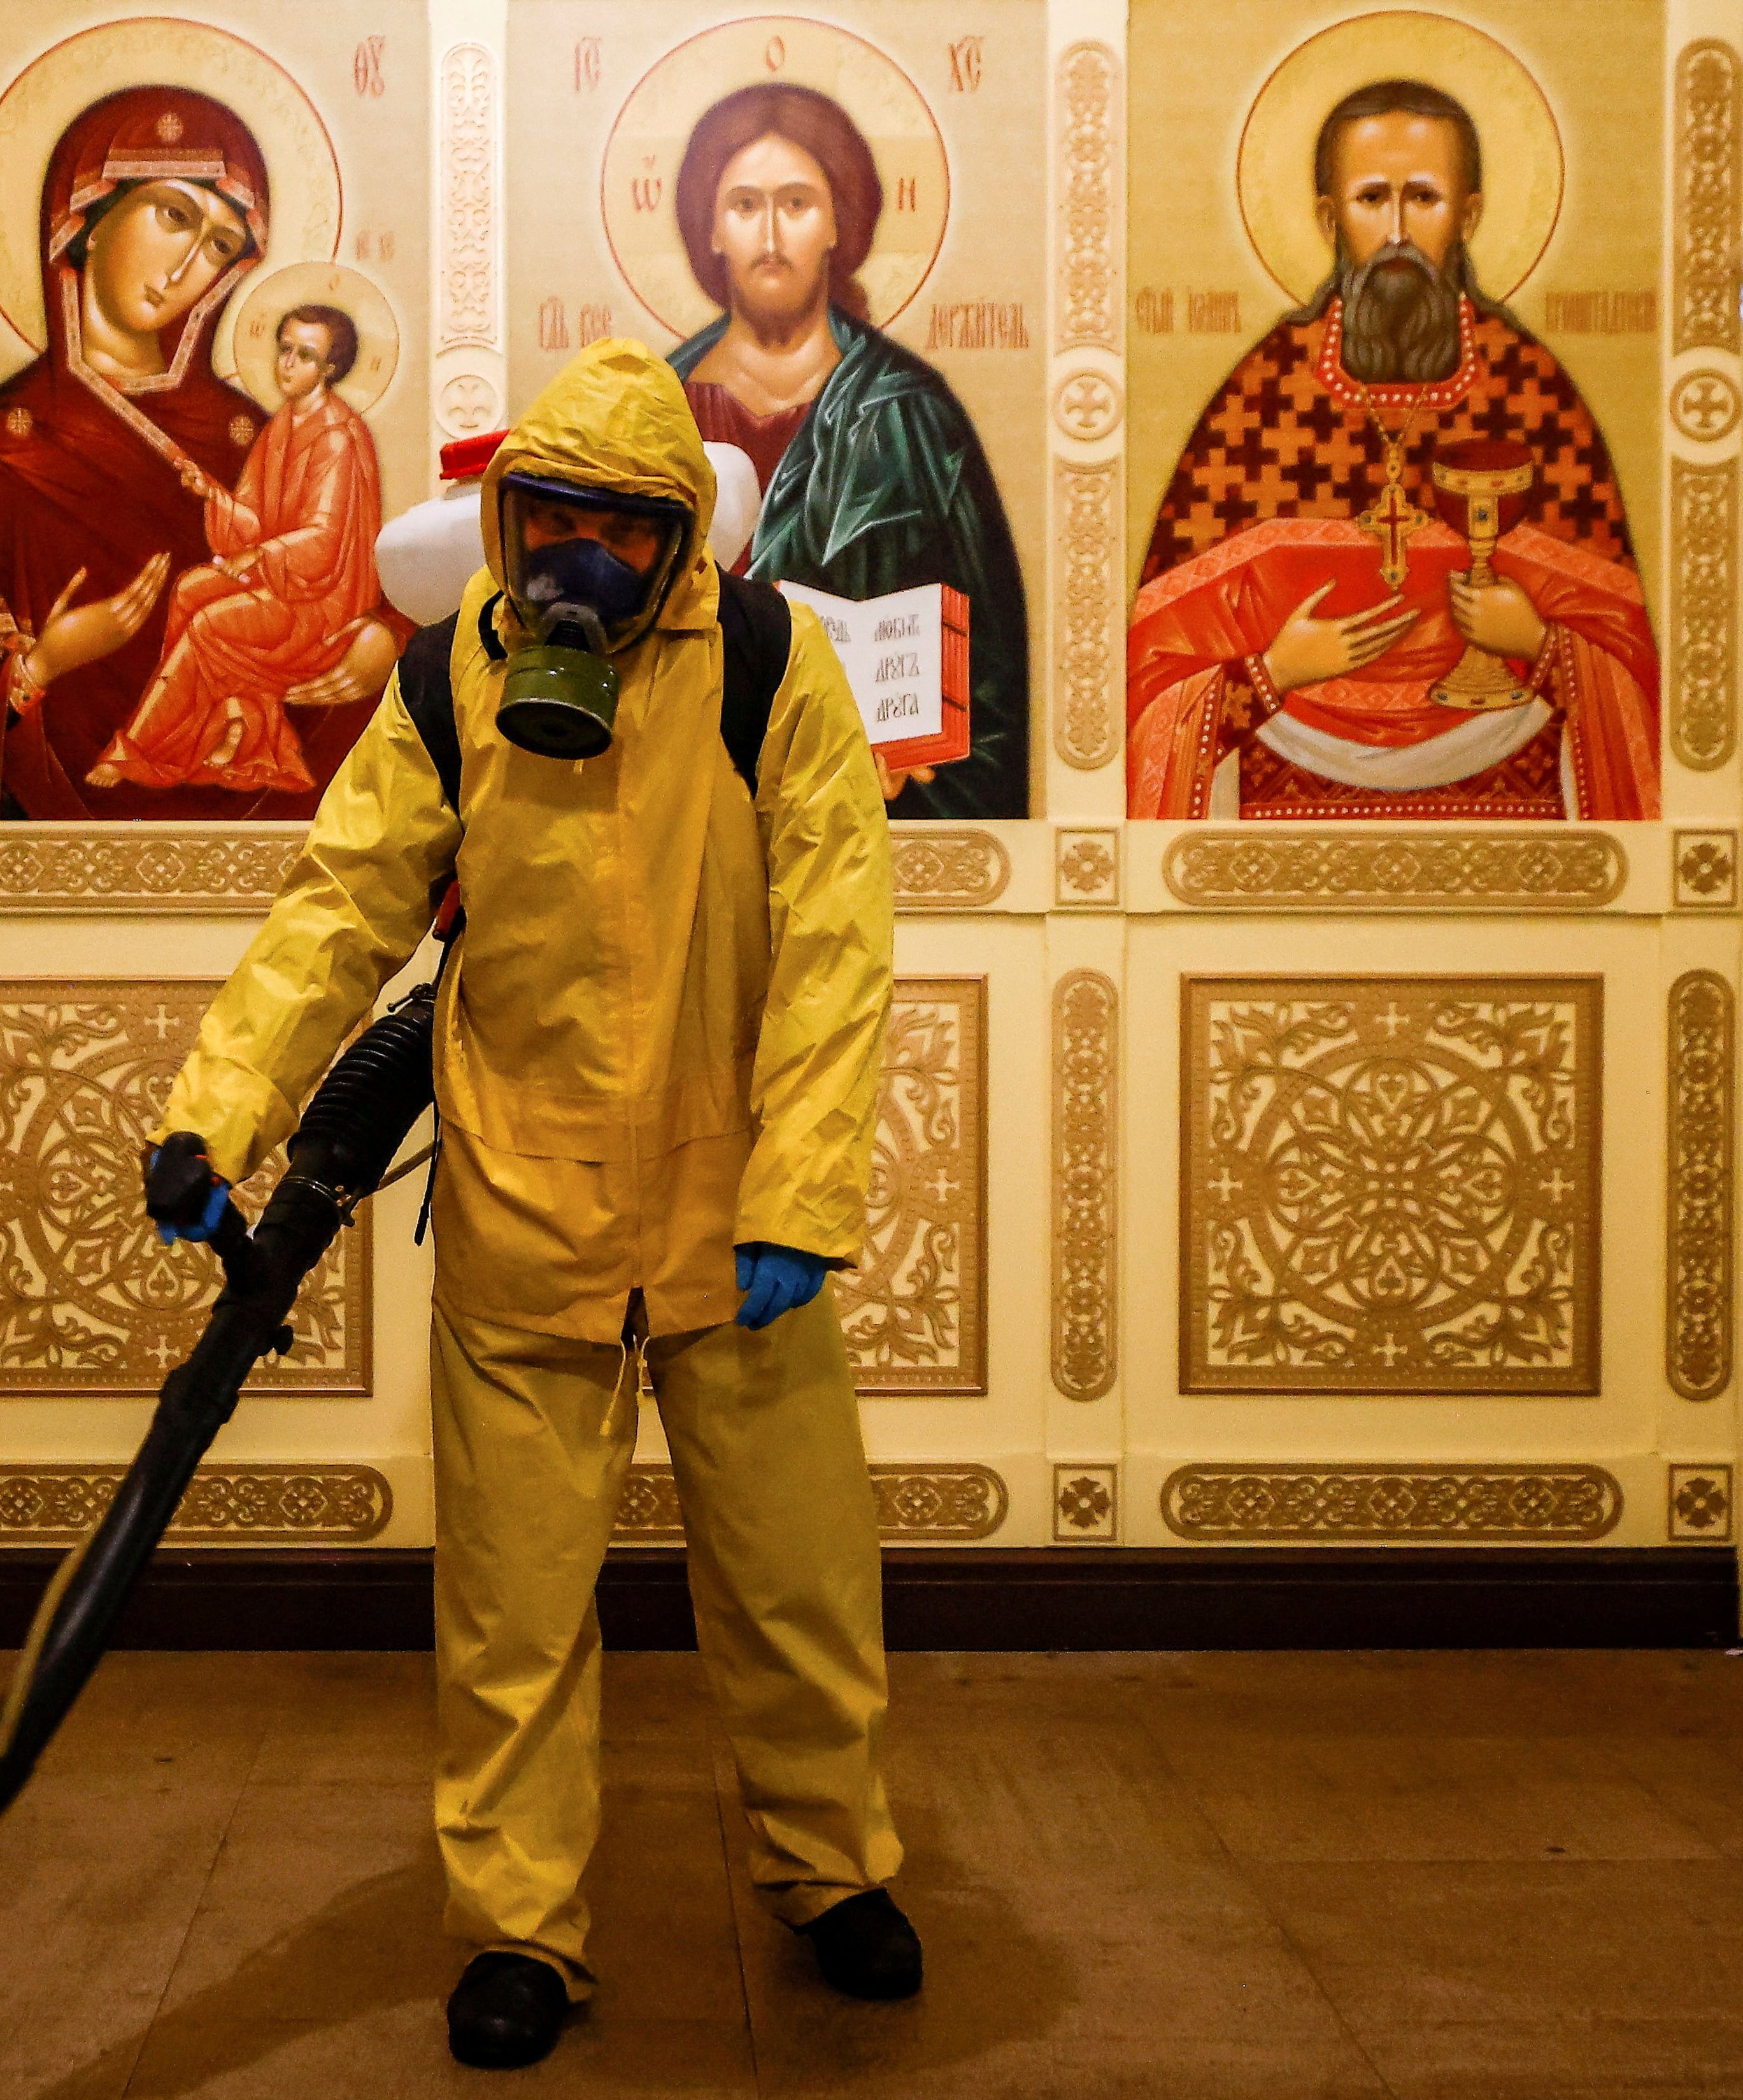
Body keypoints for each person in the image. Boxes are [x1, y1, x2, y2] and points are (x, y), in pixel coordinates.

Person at [145, 339, 917, 2070]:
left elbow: (838, 945)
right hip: (524, 1206)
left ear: (676, 534)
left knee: (797, 1578)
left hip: (737, 1219)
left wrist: (800, 1187)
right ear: (504, 521)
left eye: (621, 525)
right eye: (549, 515)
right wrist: (217, 1119)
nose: (584, 554)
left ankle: (833, 1868)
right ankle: (519, 1932)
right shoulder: (455, 685)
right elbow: (339, 911)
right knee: (511, 1606)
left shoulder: (774, 668)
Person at [1127, 78, 1660, 819]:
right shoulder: (1263, 396)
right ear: (1327, 217)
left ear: (1467, 214)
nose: (1398, 232)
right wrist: (1273, 670)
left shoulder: (1531, 393)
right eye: (1372, 199)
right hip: (1282, 812)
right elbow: (1155, 671)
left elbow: (1629, 664)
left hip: (1512, 809)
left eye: (1425, 199)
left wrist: (1537, 642)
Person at [0, 90, 397, 820]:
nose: (189, 265)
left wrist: (378, 641)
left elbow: (333, 573)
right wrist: (44, 665)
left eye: (220, 246)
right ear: (87, 216)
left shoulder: (256, 431)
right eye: (173, 216)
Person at [665, 82, 1030, 820]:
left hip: (865, 814)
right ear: (710, 231)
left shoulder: (913, 415)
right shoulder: (655, 410)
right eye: (743, 206)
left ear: (837, 224)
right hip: (684, 807)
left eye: (796, 204)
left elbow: (986, 669)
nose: (769, 236)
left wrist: (919, 751)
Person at [89, 304, 386, 793]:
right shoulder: (282, 426)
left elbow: (324, 541)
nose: (288, 363)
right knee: (190, 589)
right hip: (284, 582)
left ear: (330, 369)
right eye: (285, 349)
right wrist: (215, 496)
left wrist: (260, 557)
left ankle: (137, 751)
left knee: (210, 624)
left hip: (322, 606)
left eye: (305, 355)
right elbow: (253, 523)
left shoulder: (337, 438)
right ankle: (227, 727)